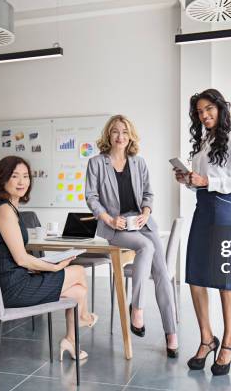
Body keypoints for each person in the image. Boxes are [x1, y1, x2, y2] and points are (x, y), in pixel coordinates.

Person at [0, 155, 97, 361]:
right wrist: (53, 268)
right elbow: (21, 259)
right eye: (15, 176)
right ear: (2, 179)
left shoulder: (9, 208)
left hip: (13, 281)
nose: (22, 182)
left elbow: (16, 258)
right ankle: (84, 317)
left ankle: (71, 340)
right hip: (13, 289)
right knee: (79, 271)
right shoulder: (4, 211)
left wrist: (45, 265)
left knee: (78, 292)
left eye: (26, 176)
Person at [85, 114, 178, 357]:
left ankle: (171, 333)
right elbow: (91, 197)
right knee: (146, 248)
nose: (120, 136)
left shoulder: (139, 162)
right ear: (108, 135)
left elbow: (148, 194)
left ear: (130, 136)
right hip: (116, 227)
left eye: (125, 132)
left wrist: (146, 213)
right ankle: (137, 308)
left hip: (143, 223)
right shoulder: (96, 163)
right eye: (115, 131)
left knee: (162, 274)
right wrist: (108, 219)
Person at [174, 89, 231, 375]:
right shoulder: (203, 141)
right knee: (194, 275)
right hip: (203, 208)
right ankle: (207, 338)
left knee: (224, 278)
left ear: (220, 108)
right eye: (199, 111)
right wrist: (188, 180)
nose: (204, 115)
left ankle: (229, 342)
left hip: (225, 209)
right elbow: (201, 183)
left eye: (209, 109)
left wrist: (209, 180)